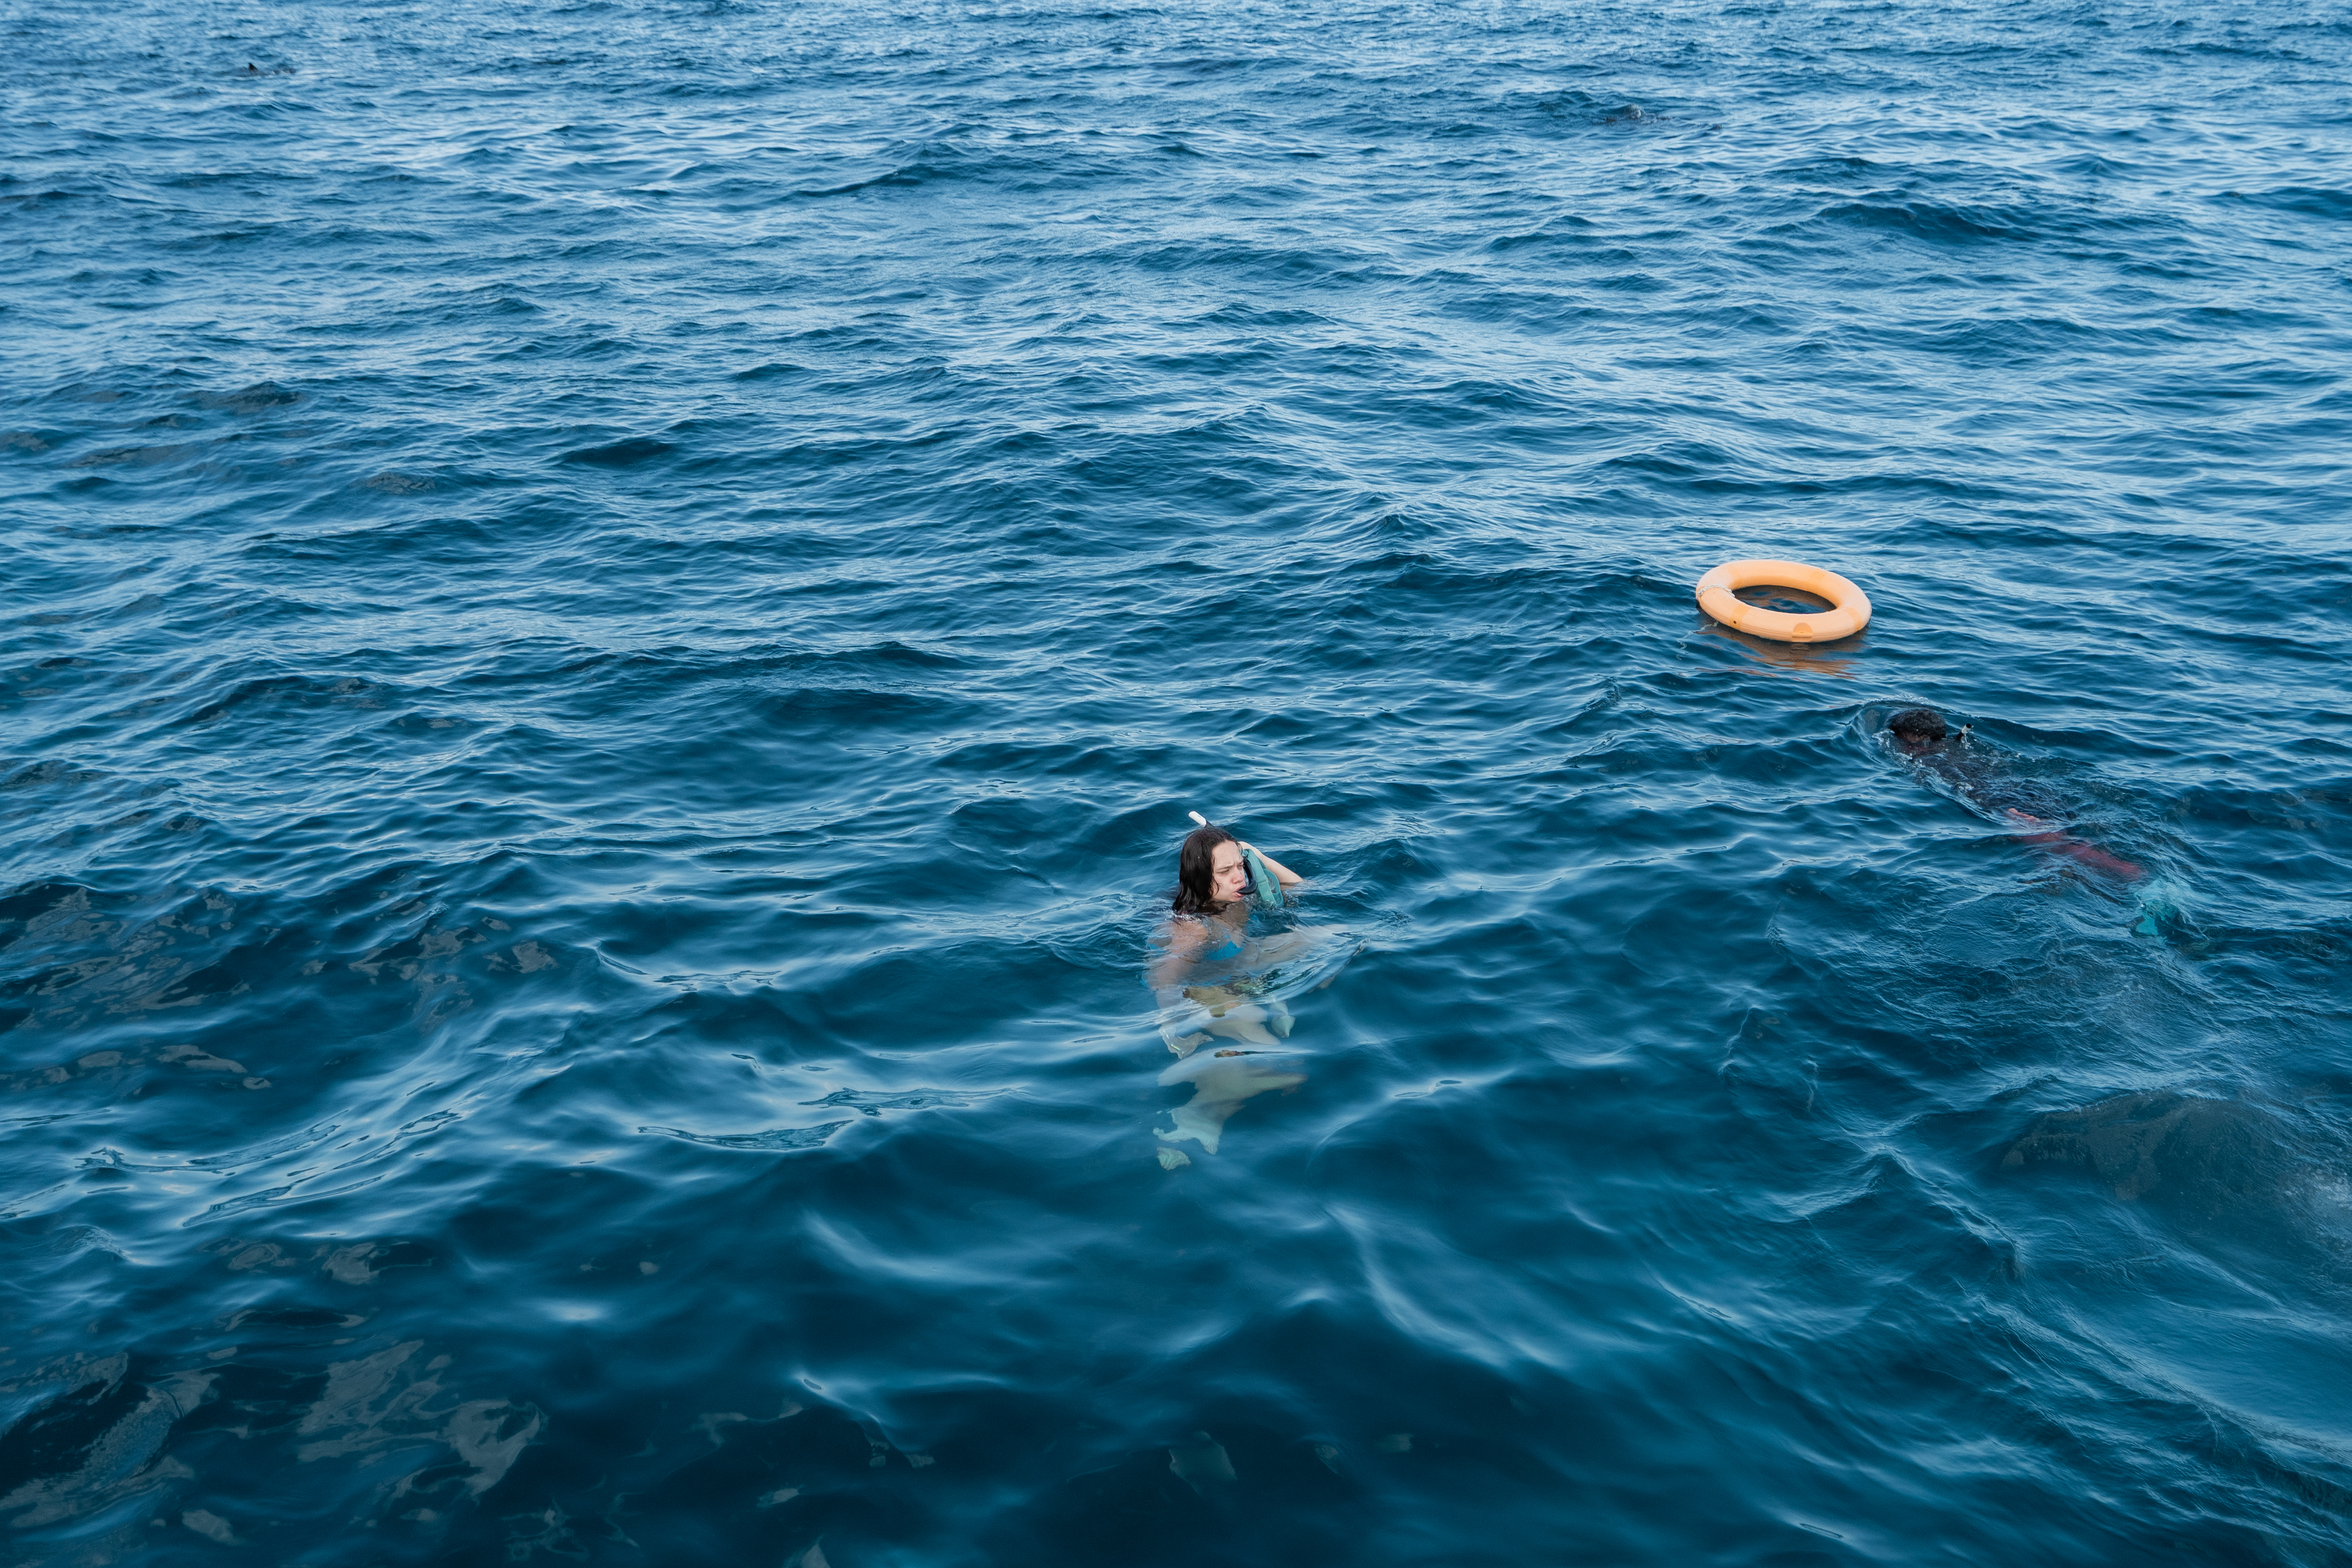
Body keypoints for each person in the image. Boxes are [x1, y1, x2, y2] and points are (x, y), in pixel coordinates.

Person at [1886, 708, 2143, 880]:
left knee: (2055, 841)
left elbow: (1960, 781)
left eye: (1899, 739)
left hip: (2000, 800)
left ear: (1913, 740)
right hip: (2030, 789)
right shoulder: (1960, 744)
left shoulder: (1930, 759)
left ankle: (2128, 872)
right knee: (2054, 843)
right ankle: (2068, 869)